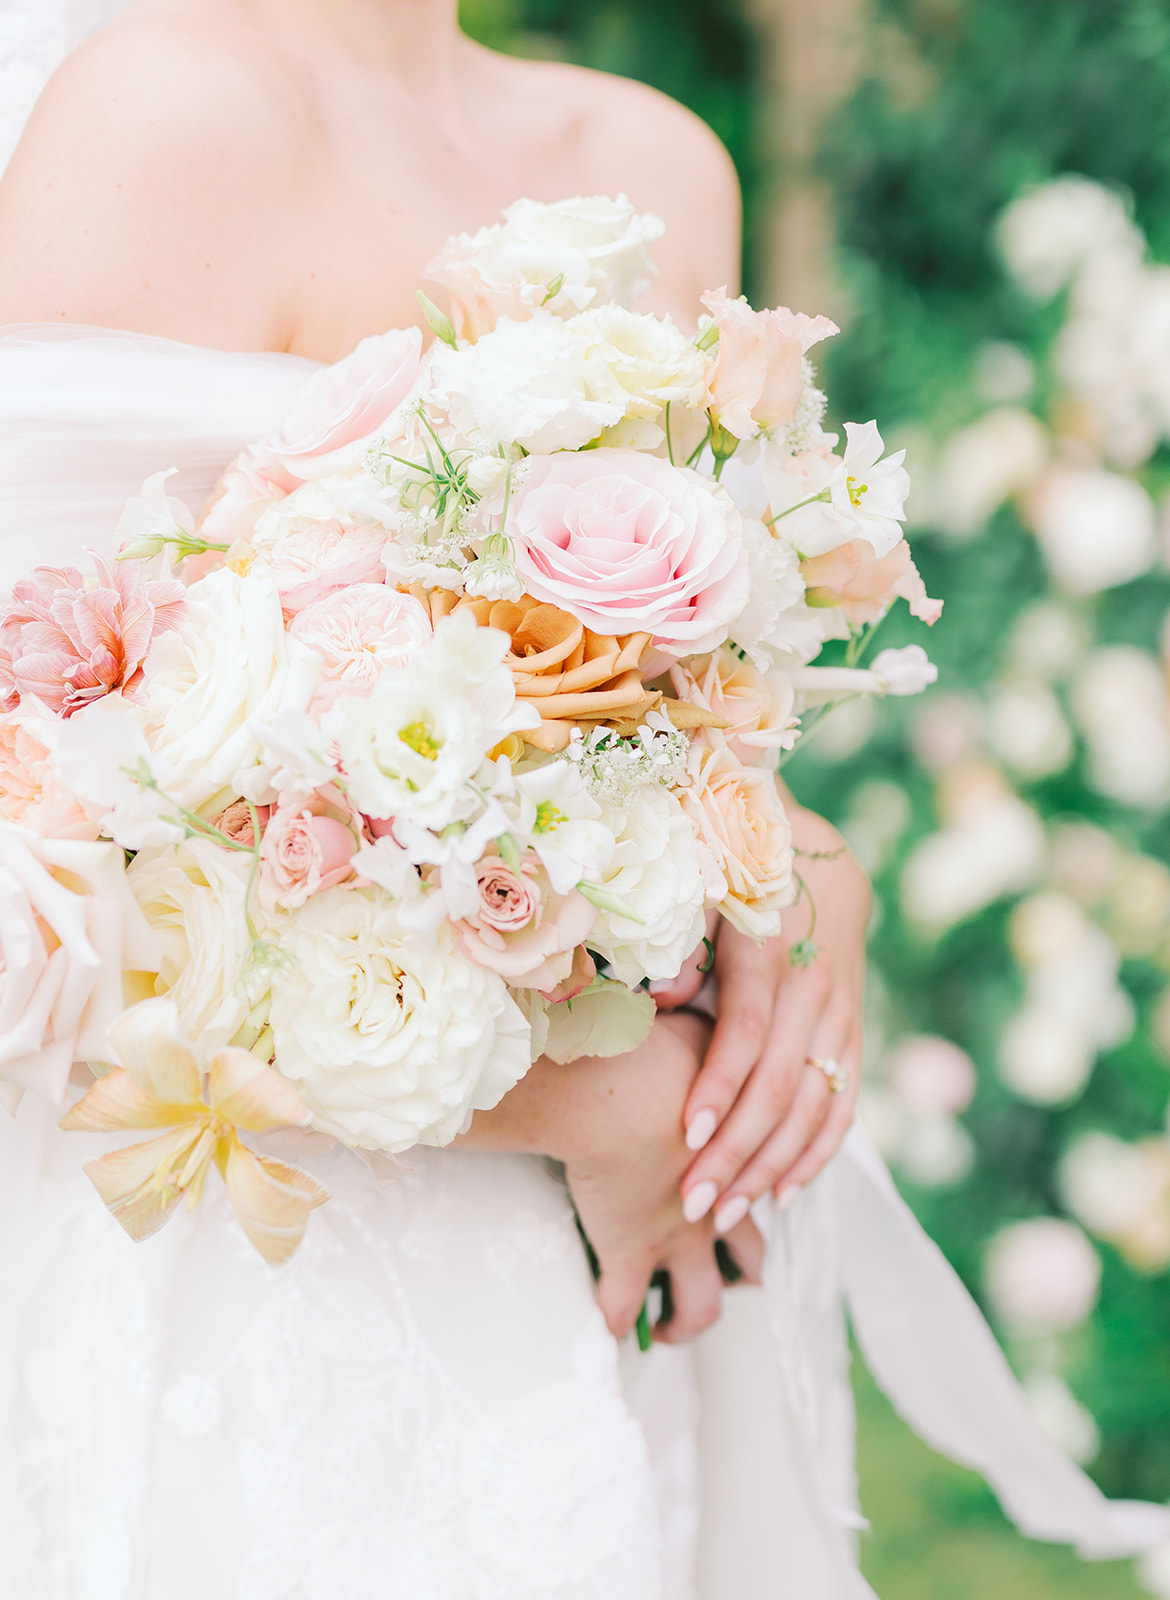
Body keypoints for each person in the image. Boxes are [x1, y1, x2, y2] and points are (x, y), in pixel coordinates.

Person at [0, 5, 1165, 1598]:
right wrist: (594, 1110)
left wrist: (803, 872)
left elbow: (664, 710)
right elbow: (36, 845)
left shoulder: (649, 167)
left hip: (583, 1299)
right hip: (243, 1271)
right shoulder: (165, 116)